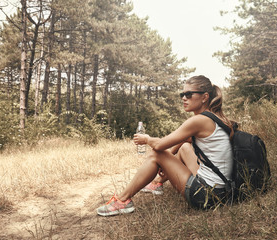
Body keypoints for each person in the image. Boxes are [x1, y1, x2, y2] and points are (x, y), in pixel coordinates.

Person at [96, 75, 234, 216]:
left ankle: (122, 201)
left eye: (188, 94)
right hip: (221, 192)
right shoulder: (215, 118)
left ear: (204, 97)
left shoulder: (199, 120)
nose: (183, 98)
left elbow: (159, 146)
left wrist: (147, 139)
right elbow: (185, 140)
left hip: (205, 197)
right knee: (184, 148)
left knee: (156, 154)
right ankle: (157, 183)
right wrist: (166, 163)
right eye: (182, 94)